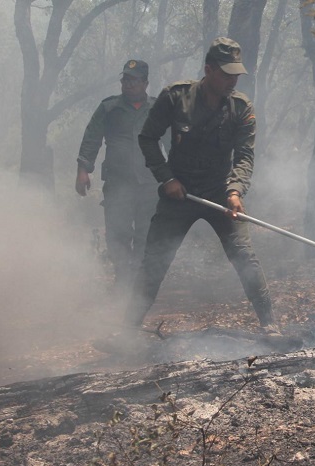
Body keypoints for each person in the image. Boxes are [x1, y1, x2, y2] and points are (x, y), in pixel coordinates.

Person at [126, 37, 275, 334]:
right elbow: (148, 138)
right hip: (179, 193)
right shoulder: (175, 97)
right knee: (154, 260)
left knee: (244, 256)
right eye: (226, 74)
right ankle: (126, 329)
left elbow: (244, 155)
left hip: (221, 193)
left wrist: (235, 191)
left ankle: (270, 324)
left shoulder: (241, 108)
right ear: (208, 70)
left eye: (236, 74)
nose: (233, 80)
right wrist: (166, 178)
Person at [76, 59, 159, 291]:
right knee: (118, 234)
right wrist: (83, 169)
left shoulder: (157, 109)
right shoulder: (109, 108)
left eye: (134, 80)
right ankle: (123, 279)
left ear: (145, 83)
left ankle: (140, 285)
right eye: (125, 79)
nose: (128, 84)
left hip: (149, 185)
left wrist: (176, 175)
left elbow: (172, 142)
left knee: (146, 235)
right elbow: (91, 138)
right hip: (117, 184)